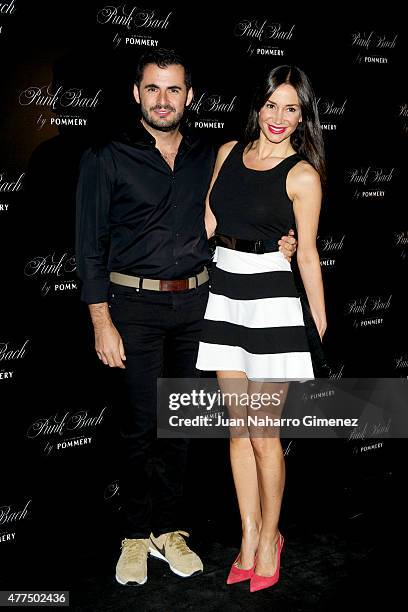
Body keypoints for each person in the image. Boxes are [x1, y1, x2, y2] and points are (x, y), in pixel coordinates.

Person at [75, 49, 298, 587]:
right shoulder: (107, 156)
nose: (163, 99)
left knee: (180, 425)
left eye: (174, 90)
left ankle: (169, 530)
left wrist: (279, 245)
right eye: (153, 88)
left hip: (200, 305)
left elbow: (239, 214)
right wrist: (101, 321)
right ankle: (134, 535)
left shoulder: (210, 156)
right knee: (138, 425)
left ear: (189, 97)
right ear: (137, 94)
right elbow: (89, 245)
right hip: (133, 308)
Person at [196, 65, 327, 592]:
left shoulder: (303, 175)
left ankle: (272, 535)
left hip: (272, 303)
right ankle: (248, 534)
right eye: (272, 104)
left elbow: (311, 256)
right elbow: (210, 218)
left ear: (302, 115)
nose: (279, 117)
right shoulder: (228, 153)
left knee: (264, 435)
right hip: (226, 295)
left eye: (291, 108)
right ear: (259, 105)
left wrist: (316, 320)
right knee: (238, 432)